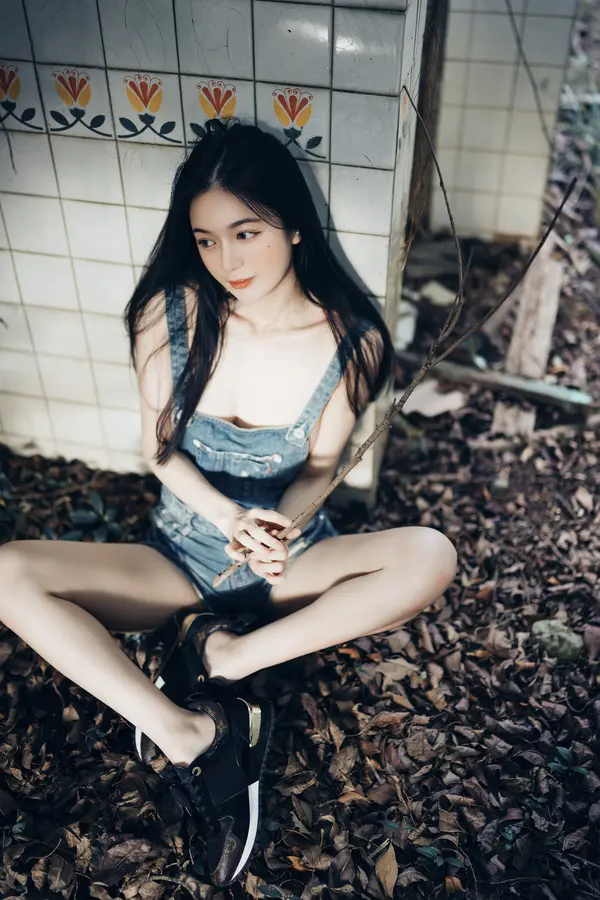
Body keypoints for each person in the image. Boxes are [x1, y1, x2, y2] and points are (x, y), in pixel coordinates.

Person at [0, 121, 457, 887]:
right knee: (9, 573)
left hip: (288, 565)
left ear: (295, 227)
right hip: (179, 558)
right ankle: (185, 731)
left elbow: (320, 467)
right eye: (206, 240)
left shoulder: (351, 342)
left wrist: (286, 522)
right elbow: (161, 453)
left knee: (430, 554)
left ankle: (224, 656)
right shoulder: (171, 314)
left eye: (246, 233)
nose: (228, 261)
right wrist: (226, 516)